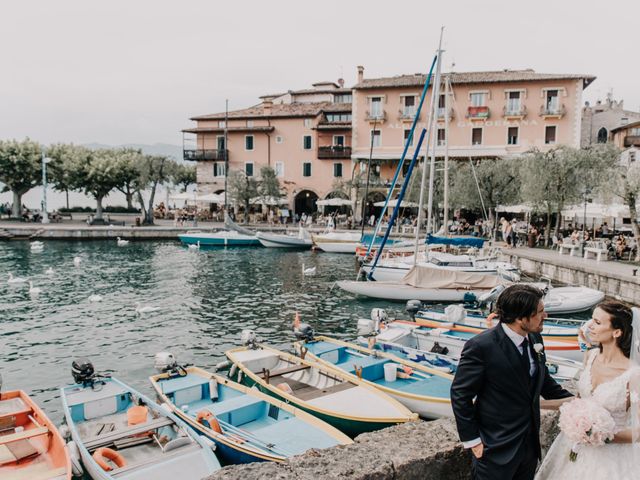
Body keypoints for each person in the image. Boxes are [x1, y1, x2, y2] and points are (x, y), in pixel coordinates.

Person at [451, 284, 573, 480]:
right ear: (520, 318)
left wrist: (578, 403)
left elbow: (543, 381)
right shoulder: (481, 346)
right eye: (540, 312)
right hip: (495, 448)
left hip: (529, 447)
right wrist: (473, 441)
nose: (546, 316)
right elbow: (460, 395)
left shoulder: (534, 337)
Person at [535, 301, 640, 478]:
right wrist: (540, 404)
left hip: (609, 460)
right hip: (571, 447)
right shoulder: (590, 356)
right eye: (591, 319)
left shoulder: (634, 375)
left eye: (597, 322)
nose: (589, 325)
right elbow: (579, 401)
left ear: (617, 332)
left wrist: (600, 435)